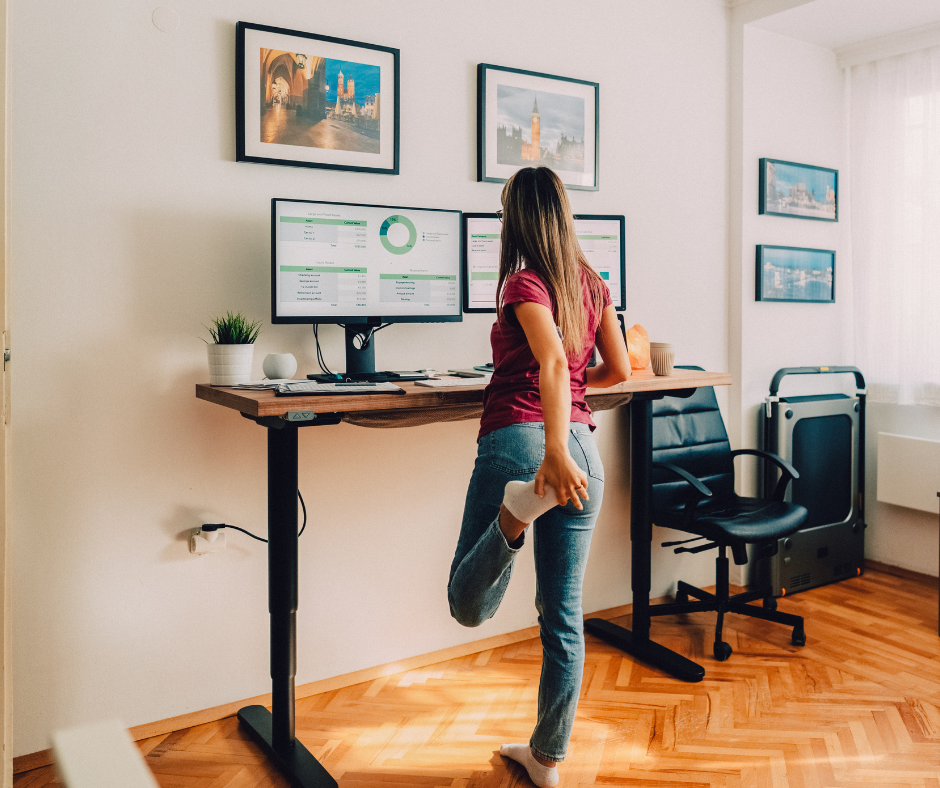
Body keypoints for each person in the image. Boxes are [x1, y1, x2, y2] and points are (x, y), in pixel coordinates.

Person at [447, 166, 631, 787]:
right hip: (586, 451)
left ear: (515, 218)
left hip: (526, 440)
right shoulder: (592, 284)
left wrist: (552, 452)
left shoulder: (522, 281)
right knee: (563, 615)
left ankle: (513, 514)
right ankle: (547, 760)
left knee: (466, 605)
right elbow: (619, 371)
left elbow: (551, 359)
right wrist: (573, 411)